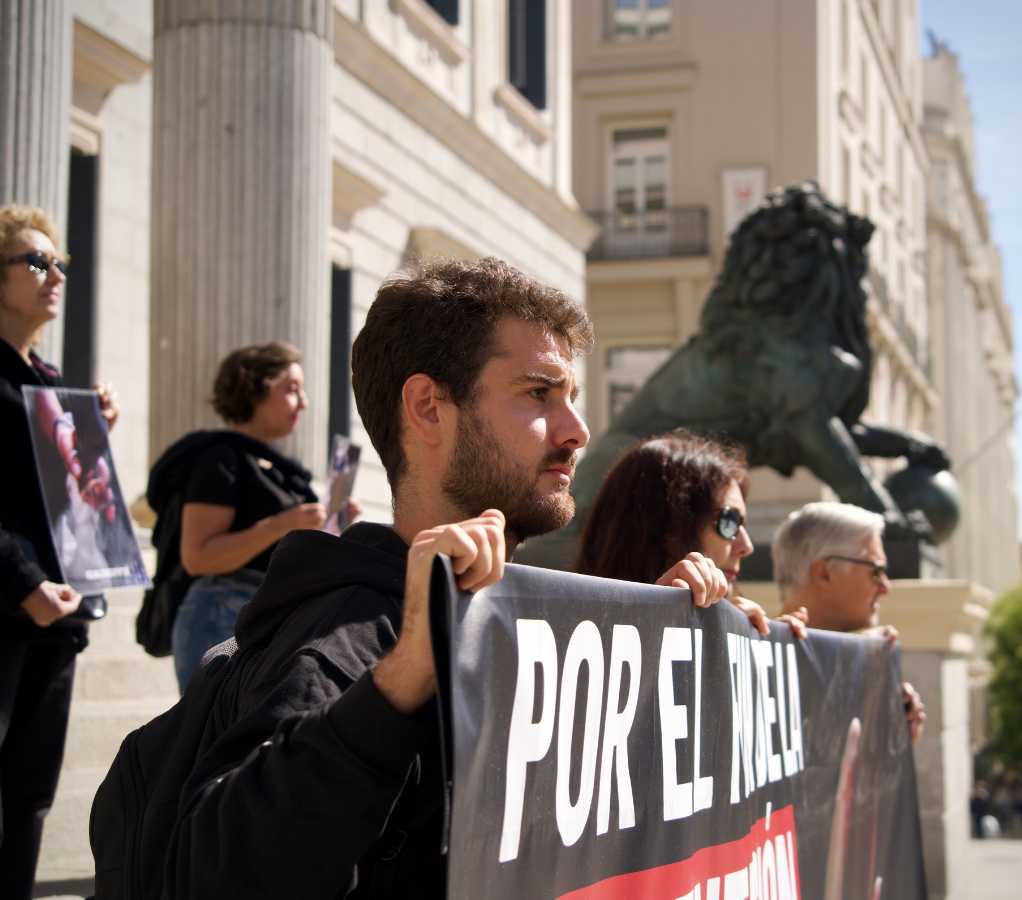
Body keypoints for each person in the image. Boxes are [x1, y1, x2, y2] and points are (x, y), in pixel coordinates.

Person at [104, 258, 733, 897]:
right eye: (539, 392)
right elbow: (215, 874)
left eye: (571, 398)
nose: (577, 431)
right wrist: (401, 680)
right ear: (429, 408)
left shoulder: (507, 618)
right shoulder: (343, 639)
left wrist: (670, 650)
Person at [0, 205, 118, 900]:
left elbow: (77, 504)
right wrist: (22, 581)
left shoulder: (50, 382)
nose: (55, 276)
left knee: (29, 796)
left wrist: (93, 430)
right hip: (11, 606)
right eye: (36, 262)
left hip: (57, 616)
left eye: (61, 264)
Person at [146, 341, 358, 690]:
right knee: (216, 738)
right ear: (254, 387)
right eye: (291, 390)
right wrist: (283, 524)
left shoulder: (281, 469)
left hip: (270, 615)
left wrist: (336, 521)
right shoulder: (220, 458)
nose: (303, 402)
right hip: (222, 616)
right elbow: (198, 556)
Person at [575, 429, 807, 637]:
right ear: (666, 530)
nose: (747, 546)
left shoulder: (737, 624)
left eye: (742, 524)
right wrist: (654, 620)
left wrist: (766, 645)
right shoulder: (567, 633)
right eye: (729, 521)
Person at [772, 501, 927, 742]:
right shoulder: (762, 665)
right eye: (875, 571)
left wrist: (893, 748)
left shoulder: (862, 663)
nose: (885, 586)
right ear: (824, 573)